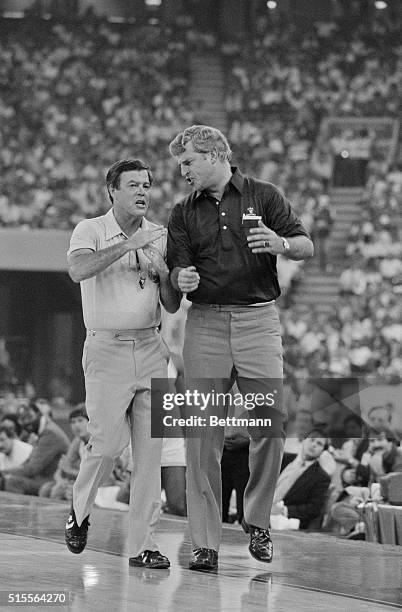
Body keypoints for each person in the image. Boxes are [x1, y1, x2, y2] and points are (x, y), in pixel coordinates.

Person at [167, 125, 314, 570]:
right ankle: (205, 542)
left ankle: (259, 523)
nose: (183, 170)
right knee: (200, 438)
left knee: (269, 425)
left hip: (258, 320)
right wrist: (181, 278)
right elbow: (175, 270)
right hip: (205, 322)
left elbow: (305, 245)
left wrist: (279, 243)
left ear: (215, 155)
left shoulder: (264, 195)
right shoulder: (182, 212)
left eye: (189, 160)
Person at [64, 158, 180, 569]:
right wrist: (125, 247)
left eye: (146, 185)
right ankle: (80, 511)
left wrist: (166, 274)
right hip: (106, 349)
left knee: (151, 456)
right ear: (112, 190)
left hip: (152, 348)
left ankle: (144, 546)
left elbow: (170, 302)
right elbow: (78, 270)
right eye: (133, 185)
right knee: (108, 443)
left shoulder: (161, 235)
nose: (142, 192)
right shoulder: (91, 229)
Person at [0, 402, 70, 495]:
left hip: (52, 480)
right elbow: (28, 464)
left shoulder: (50, 433)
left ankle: (18, 510)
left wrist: (3, 473)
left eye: (29, 417)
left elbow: (32, 469)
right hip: (42, 478)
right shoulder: (43, 431)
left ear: (39, 414)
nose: (26, 422)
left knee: (12, 482)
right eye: (22, 419)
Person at [272, 430, 331, 529]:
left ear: (322, 451)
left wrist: (283, 510)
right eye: (312, 440)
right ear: (304, 441)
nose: (314, 445)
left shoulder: (322, 478)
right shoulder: (282, 458)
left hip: (283, 521)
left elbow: (313, 509)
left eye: (319, 444)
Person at [40, 404, 89, 500]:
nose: (76, 425)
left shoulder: (97, 443)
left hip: (98, 484)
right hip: (77, 480)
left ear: (90, 422)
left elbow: (95, 475)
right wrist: (60, 481)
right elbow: (61, 469)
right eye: (73, 422)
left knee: (58, 491)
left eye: (80, 420)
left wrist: (70, 471)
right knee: (46, 488)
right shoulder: (77, 441)